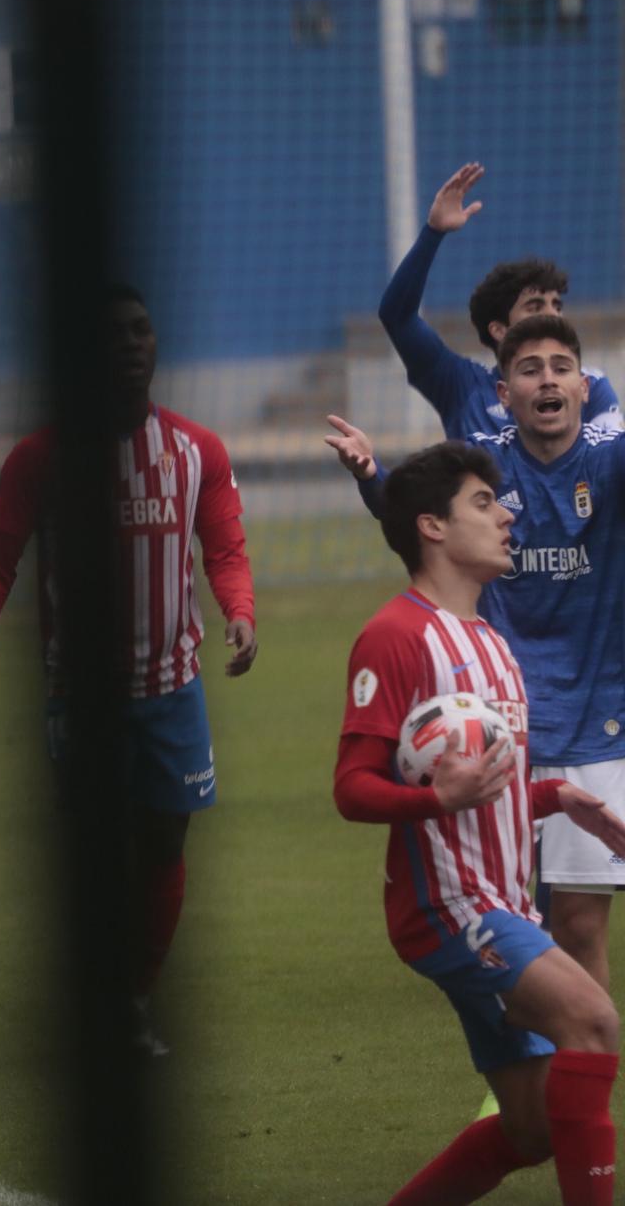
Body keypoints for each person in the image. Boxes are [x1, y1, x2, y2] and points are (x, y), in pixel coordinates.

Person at [0, 286, 257, 1053]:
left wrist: (239, 609)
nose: (132, 343)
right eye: (114, 334)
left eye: (143, 329)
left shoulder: (196, 449)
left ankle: (133, 1000)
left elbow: (225, 547)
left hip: (175, 691)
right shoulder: (40, 460)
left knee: (165, 851)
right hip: (81, 697)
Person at [336, 440, 625, 1203]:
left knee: (531, 1128)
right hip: (452, 906)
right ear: (432, 526)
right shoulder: (395, 636)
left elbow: (482, 789)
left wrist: (556, 799)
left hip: (503, 900)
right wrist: (436, 799)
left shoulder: (494, 644)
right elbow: (351, 788)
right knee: (595, 1022)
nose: (505, 517)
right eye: (483, 504)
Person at [328, 313, 625, 994]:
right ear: (504, 390)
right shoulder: (484, 471)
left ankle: (565, 1063)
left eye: (561, 366)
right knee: (516, 912)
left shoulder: (609, 460)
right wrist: (373, 476)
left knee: (574, 928)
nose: (547, 378)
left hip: (596, 720)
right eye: (529, 367)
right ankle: (550, 1067)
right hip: (500, 714)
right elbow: (424, 520)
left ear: (584, 385)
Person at [374, 161, 619, 443]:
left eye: (557, 305)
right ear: (499, 329)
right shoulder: (461, 385)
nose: (552, 315)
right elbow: (398, 317)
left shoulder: (589, 385)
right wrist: (433, 233)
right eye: (535, 307)